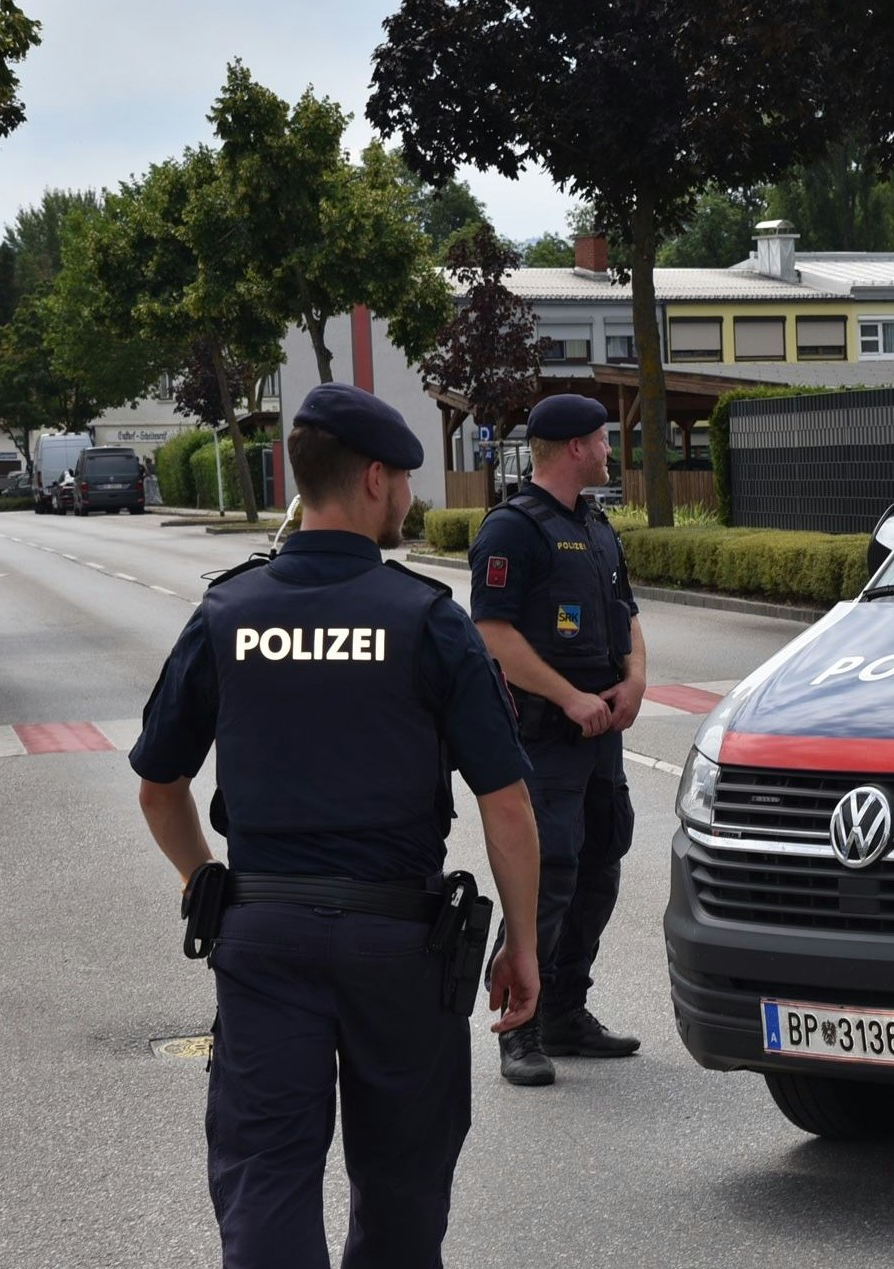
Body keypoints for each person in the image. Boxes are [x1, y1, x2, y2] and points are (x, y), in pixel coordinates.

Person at [131, 382, 543, 1268]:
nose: (408, 500)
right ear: (372, 480)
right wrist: (525, 940)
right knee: (402, 1183)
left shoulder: (228, 614)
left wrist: (205, 878)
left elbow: (159, 785)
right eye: (402, 481)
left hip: (265, 937)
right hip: (399, 946)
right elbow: (505, 801)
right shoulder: (429, 620)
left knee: (266, 1176)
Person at [470, 393, 646, 1086]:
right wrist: (567, 695)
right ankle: (521, 1027)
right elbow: (491, 633)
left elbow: (628, 614)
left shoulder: (599, 528)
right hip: (544, 738)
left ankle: (568, 1010)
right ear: (575, 447)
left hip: (602, 738)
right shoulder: (513, 530)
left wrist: (635, 679)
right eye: (603, 440)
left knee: (601, 864)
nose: (609, 450)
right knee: (547, 878)